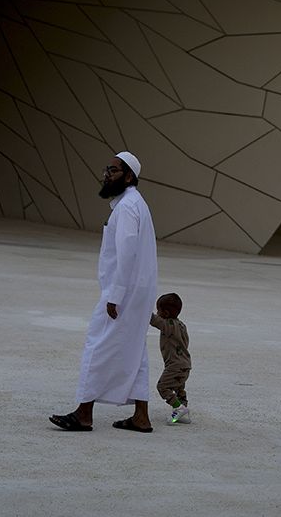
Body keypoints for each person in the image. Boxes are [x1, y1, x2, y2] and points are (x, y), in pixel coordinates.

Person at [50, 151, 159, 433]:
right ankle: (141, 416)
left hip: (123, 291)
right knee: (136, 350)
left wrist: (115, 296)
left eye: (112, 170)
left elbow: (126, 254)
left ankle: (83, 413)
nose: (106, 175)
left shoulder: (126, 207)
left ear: (129, 176)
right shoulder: (135, 203)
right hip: (138, 291)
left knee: (97, 345)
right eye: (106, 169)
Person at [151, 292, 192, 424]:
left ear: (166, 313)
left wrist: (142, 307)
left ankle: (178, 408)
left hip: (174, 366)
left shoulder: (168, 325)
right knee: (179, 389)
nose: (157, 313)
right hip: (185, 365)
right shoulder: (182, 325)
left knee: (163, 387)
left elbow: (153, 320)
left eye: (159, 310)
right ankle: (183, 413)